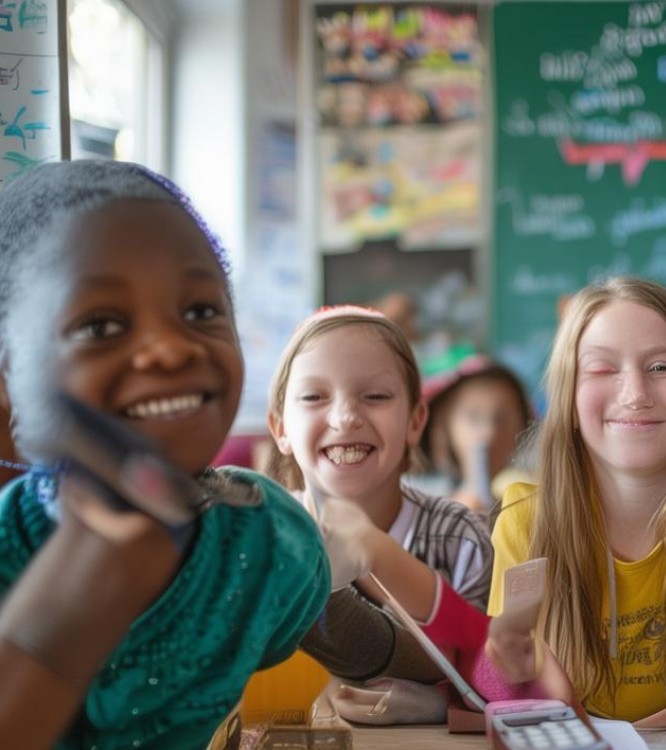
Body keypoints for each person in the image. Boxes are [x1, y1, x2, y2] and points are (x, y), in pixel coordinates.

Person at [0, 160, 329, 748]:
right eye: (101, 325)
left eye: (200, 311)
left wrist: (465, 669)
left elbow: (335, 621)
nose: (169, 349)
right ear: (10, 380)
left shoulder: (265, 536)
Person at [487, 276, 666, 726]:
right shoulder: (524, 520)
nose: (636, 395)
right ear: (568, 398)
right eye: (603, 369)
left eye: (662, 368)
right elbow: (511, 686)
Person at [266, 305, 496, 722]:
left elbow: (492, 672)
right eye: (315, 397)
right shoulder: (264, 543)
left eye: (375, 396)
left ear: (415, 421)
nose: (345, 417)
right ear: (280, 428)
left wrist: (439, 705)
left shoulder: (459, 538)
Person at [417, 355, 532, 512]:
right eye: (473, 416)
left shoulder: (531, 503)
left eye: (502, 418)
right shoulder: (420, 505)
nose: (489, 432)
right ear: (442, 425)